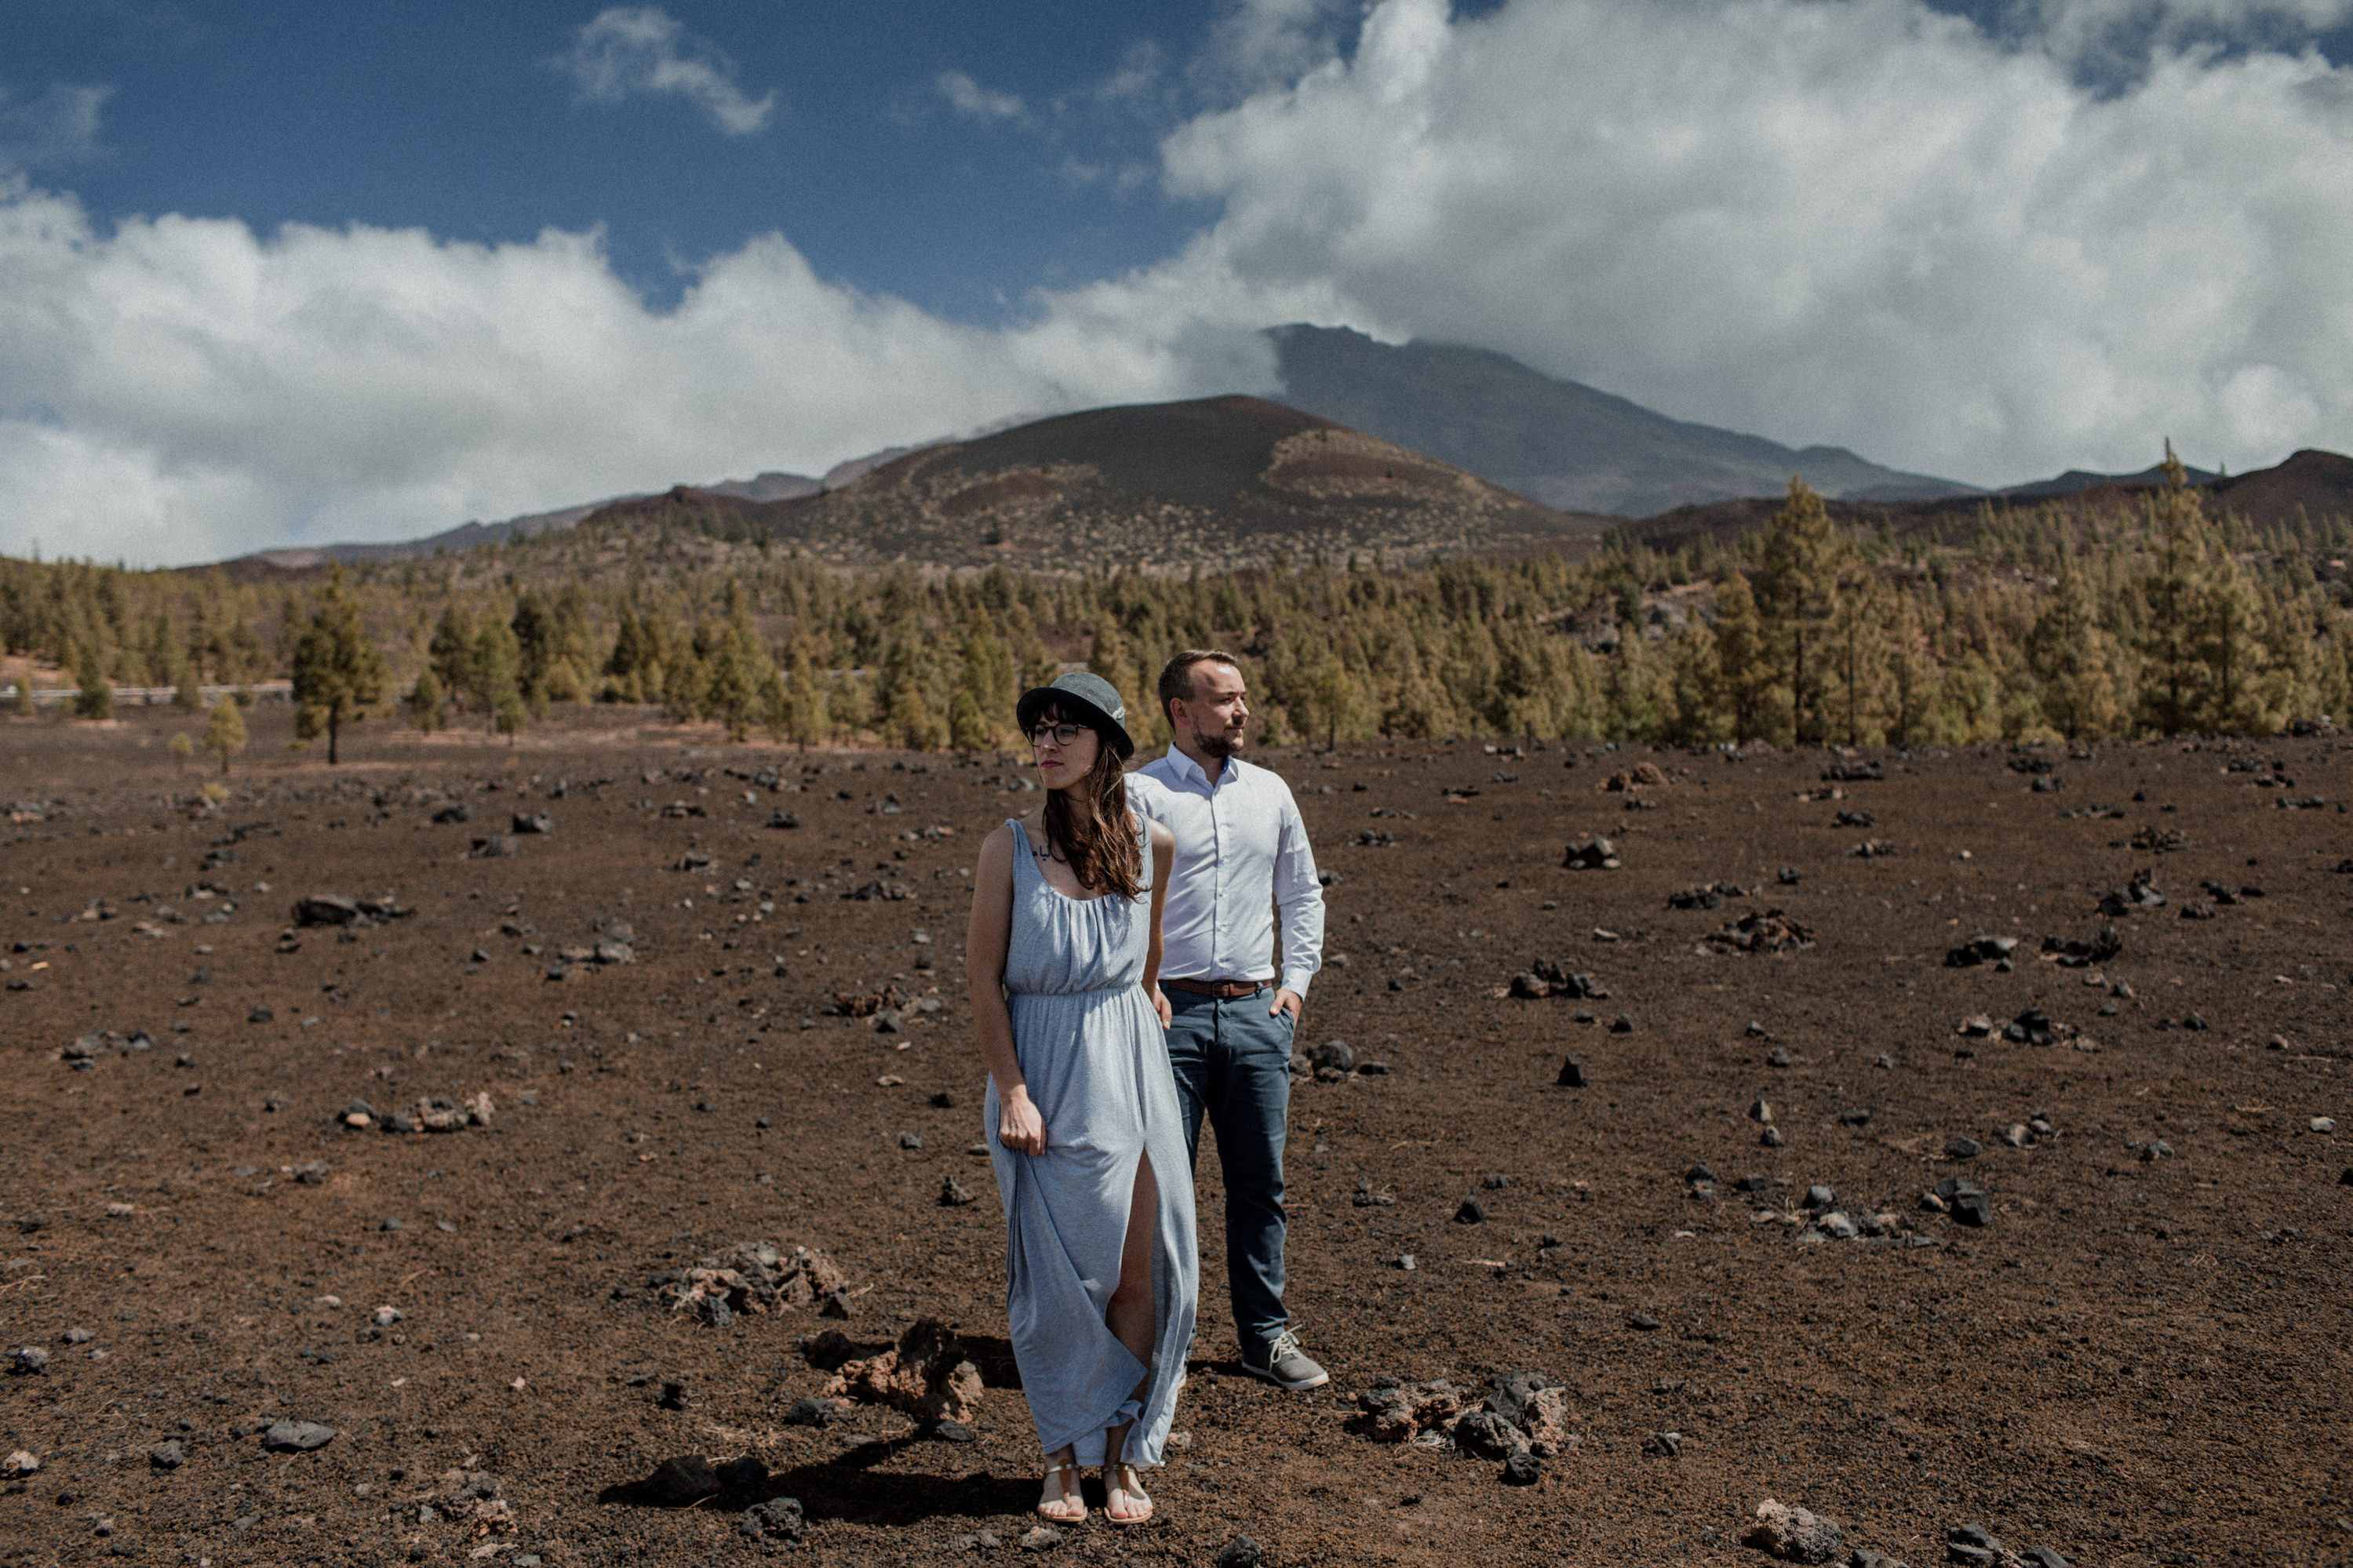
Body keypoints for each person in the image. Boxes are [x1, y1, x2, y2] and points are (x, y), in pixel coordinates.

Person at [967, 671, 1197, 1527]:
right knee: (1056, 1279)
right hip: (1044, 1075)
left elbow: (1151, 950)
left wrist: (1147, 998)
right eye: (1040, 730)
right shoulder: (1010, 848)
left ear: (1106, 744)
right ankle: (1060, 1455)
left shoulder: (1151, 845)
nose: (1048, 744)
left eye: (1068, 730)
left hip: (1131, 1071)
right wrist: (1013, 1093)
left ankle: (1121, 1451)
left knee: (1139, 1271)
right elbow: (983, 982)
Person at [1128, 649, 1329, 1392]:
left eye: (1243, 697)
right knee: (1158, 1188)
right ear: (1181, 710)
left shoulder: (1271, 793)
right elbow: (1116, 903)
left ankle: (1264, 1338)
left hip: (1255, 1013)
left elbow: (1301, 894)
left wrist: (1296, 987)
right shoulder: (1138, 793)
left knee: (1258, 1187)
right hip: (1164, 1016)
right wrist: (1139, 989)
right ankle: (1157, 1343)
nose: (1241, 711)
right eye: (1224, 699)